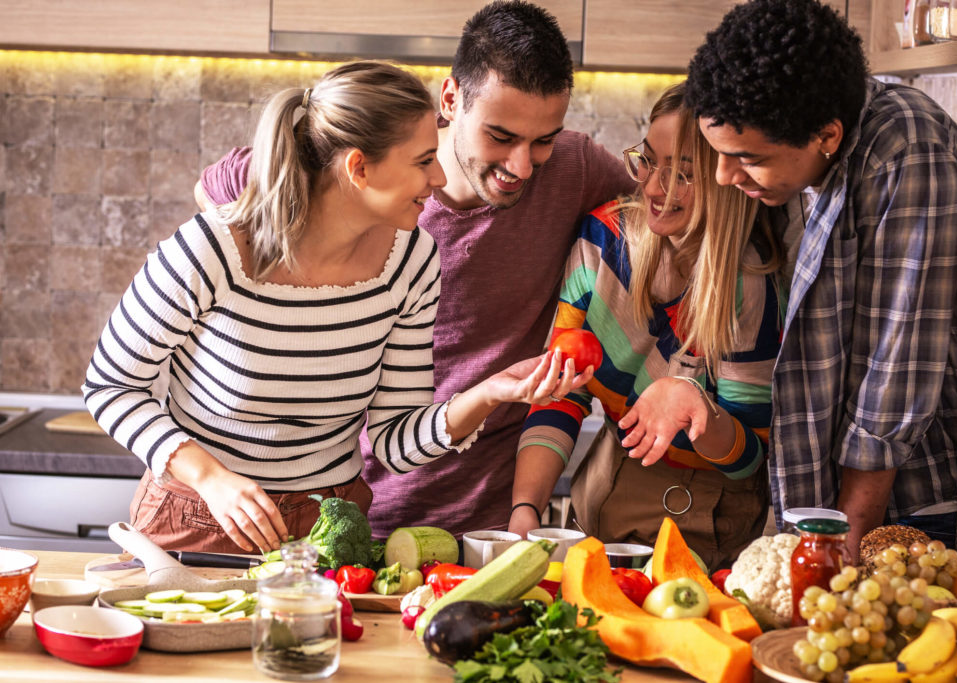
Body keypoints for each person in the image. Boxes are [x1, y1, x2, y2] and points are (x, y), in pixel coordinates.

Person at [84, 61, 590, 555]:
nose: (438, 177)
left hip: (328, 531)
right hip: (197, 520)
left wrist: (490, 393)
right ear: (358, 168)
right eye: (421, 161)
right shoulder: (213, 248)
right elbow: (110, 386)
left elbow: (395, 439)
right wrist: (211, 477)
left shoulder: (410, 261)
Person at [197, 0, 634, 539]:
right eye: (501, 136)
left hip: (487, 525)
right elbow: (217, 194)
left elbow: (664, 214)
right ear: (451, 99)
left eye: (542, 140)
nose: (522, 165)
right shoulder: (358, 180)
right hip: (345, 509)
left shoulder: (576, 167)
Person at [677, 0, 957, 558]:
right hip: (832, 512)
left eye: (746, 158)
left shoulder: (908, 152)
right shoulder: (817, 155)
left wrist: (842, 546)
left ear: (826, 134)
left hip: (901, 512)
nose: (725, 176)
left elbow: (894, 373)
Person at [509, 84, 784, 571]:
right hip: (601, 485)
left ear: (728, 178)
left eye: (683, 175)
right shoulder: (602, 243)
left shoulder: (748, 284)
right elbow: (561, 391)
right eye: (650, 161)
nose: (654, 188)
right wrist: (526, 508)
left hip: (700, 512)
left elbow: (748, 456)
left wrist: (696, 408)